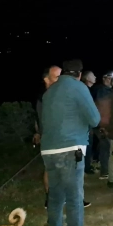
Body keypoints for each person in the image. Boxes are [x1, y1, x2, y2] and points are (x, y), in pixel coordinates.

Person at [40, 59, 101, 226]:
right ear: (79, 74)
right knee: (74, 197)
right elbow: (95, 119)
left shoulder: (49, 92)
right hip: (70, 149)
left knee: (56, 195)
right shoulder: (79, 87)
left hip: (49, 151)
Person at [34, 65, 68, 209]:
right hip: (51, 139)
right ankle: (51, 199)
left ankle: (63, 197)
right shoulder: (44, 97)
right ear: (46, 79)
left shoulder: (58, 94)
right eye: (57, 78)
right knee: (51, 169)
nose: (60, 81)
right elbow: (40, 119)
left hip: (61, 138)